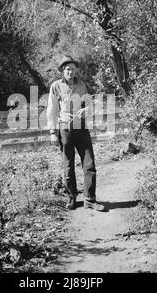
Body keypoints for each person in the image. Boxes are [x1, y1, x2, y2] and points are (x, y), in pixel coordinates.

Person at [47, 55, 105, 211]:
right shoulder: (56, 86)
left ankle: (90, 200)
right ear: (62, 71)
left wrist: (87, 108)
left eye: (73, 69)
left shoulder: (82, 85)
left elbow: (89, 104)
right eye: (67, 69)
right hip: (64, 129)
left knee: (89, 163)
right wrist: (53, 132)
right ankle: (72, 197)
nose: (70, 72)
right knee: (68, 165)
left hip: (81, 128)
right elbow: (52, 110)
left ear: (76, 70)